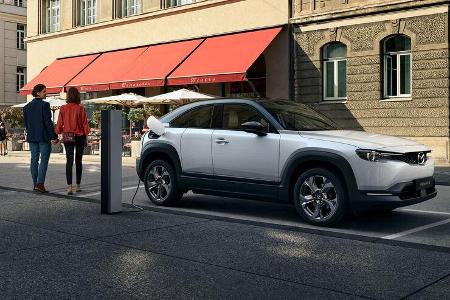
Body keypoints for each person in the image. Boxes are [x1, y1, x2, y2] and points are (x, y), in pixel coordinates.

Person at [23, 84, 58, 193]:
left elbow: (26, 124)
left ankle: (35, 184)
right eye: (44, 91)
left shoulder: (26, 107)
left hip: (32, 137)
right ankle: (40, 184)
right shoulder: (45, 105)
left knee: (34, 160)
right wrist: (53, 136)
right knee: (44, 160)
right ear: (37, 93)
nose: (46, 93)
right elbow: (48, 123)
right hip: (43, 137)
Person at [56, 87, 90, 195]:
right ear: (78, 96)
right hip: (80, 136)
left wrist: (58, 132)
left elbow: (59, 125)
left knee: (69, 161)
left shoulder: (63, 108)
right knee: (79, 161)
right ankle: (78, 186)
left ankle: (69, 187)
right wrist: (87, 137)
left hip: (68, 136)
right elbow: (85, 125)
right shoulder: (81, 109)